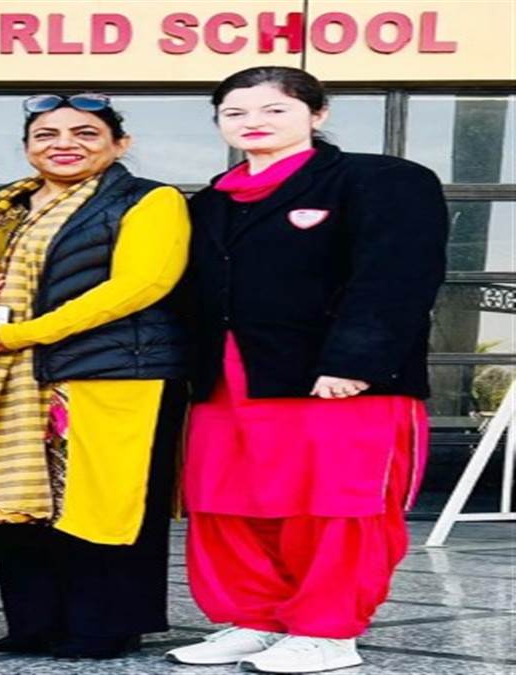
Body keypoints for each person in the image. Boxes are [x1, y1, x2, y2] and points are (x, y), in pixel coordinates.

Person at [165, 67, 448, 674]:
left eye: (274, 109)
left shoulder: (379, 180)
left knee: (335, 507)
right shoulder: (208, 203)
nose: (253, 123)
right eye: (235, 113)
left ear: (318, 115)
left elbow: (397, 276)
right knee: (228, 503)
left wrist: (355, 360)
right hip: (228, 382)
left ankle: (328, 631)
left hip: (334, 382)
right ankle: (257, 620)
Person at [0, 93, 191, 659]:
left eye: (85, 133)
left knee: (102, 504)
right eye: (47, 135)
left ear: (120, 144)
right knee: (17, 499)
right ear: (27, 147)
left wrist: (26, 333)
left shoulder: (149, 200)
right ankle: (34, 623)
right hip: (1, 376)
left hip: (109, 373)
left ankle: (104, 626)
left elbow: (140, 285)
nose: (64, 145)